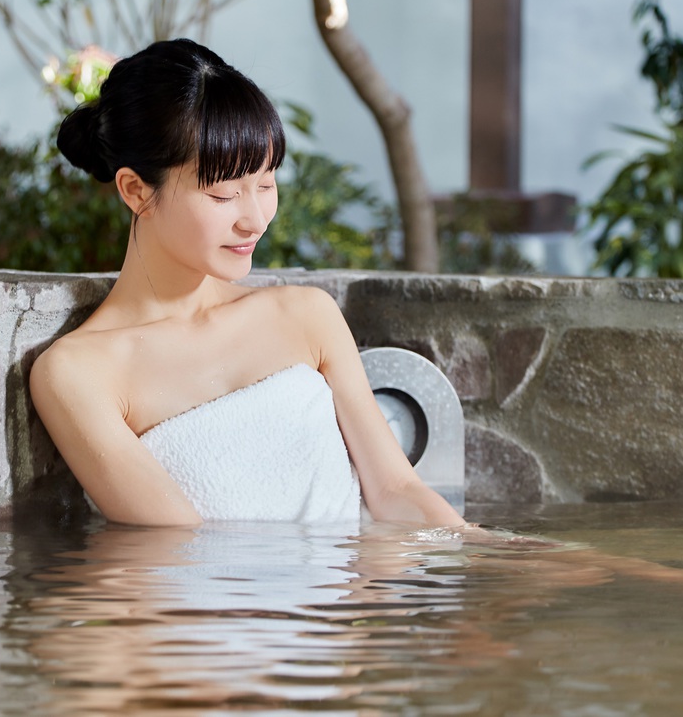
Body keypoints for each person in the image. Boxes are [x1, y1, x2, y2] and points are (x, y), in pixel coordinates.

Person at [30, 38, 463, 528]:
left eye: (266, 184)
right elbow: (173, 553)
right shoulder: (79, 373)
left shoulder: (306, 316)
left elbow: (396, 489)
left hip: (355, 594)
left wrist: (493, 558)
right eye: (222, 195)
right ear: (135, 190)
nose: (255, 219)